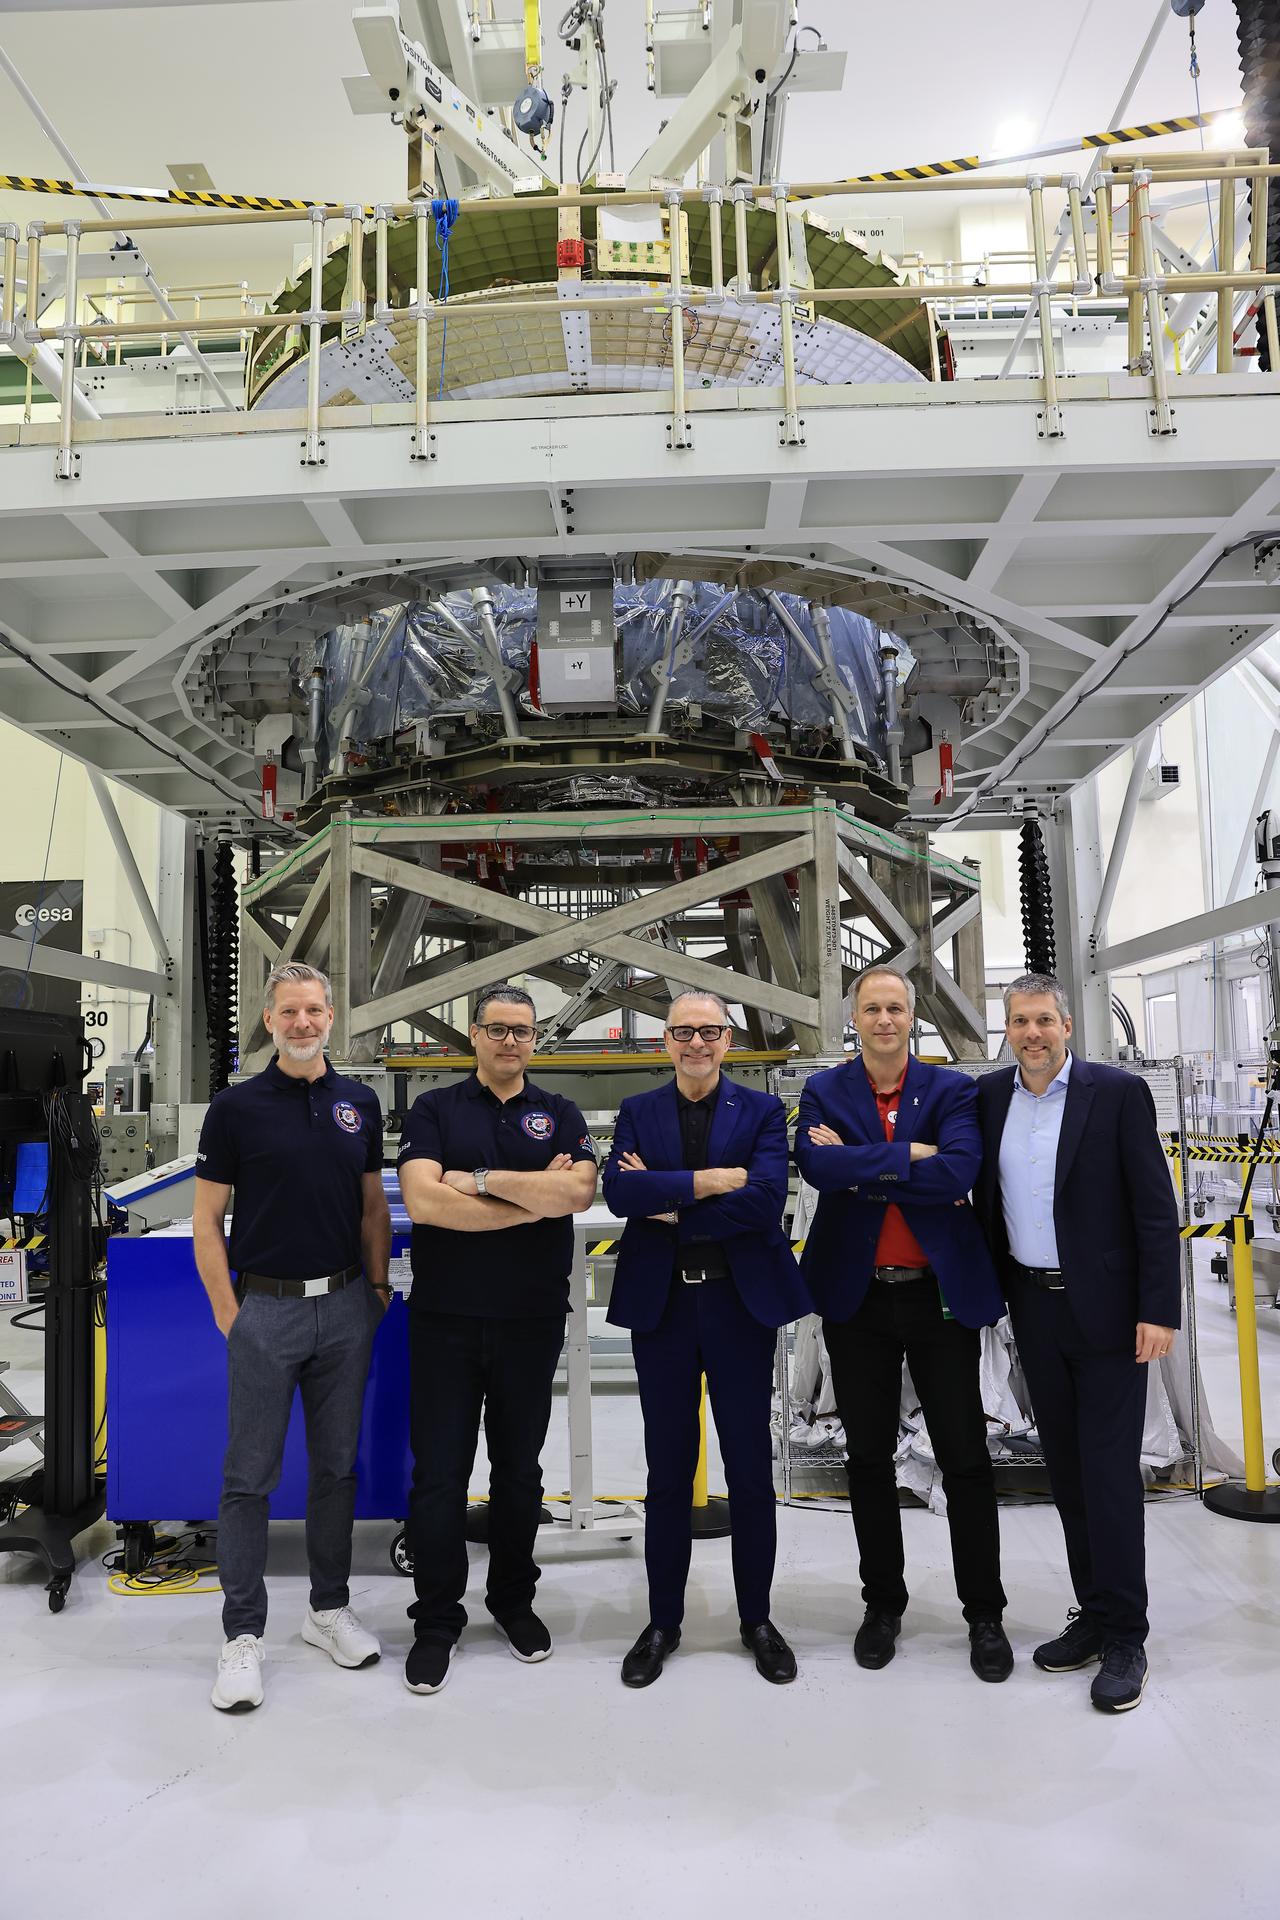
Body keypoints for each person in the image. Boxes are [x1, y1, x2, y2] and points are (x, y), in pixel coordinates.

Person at [793, 965, 1012, 1682]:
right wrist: (906, 1155)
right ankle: (882, 1603)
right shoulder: (825, 1089)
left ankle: (984, 1613)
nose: (884, 1019)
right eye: (872, 1008)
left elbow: (958, 1174)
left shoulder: (951, 1090)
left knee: (966, 1460)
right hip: (858, 1299)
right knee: (866, 1458)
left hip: (938, 1298)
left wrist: (861, 1164)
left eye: (895, 1007)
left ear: (912, 1016)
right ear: (852, 1017)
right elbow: (817, 1173)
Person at [974, 973, 1180, 1714]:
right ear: (1007, 1029)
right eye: (1019, 1022)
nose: (1032, 1033)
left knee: (1110, 1476)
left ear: (1067, 1025)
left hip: (1112, 1315)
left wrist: (1159, 1310)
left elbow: (1155, 1210)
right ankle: (1092, 1614)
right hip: (1033, 1308)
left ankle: (1127, 1633)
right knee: (1065, 1472)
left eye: (1044, 1021)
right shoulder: (992, 1097)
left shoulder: (1116, 1094)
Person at [193, 961, 392, 1714]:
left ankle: (328, 1611)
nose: (304, 1024)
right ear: (270, 1021)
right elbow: (207, 1223)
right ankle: (242, 1637)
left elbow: (373, 1208)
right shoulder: (235, 1110)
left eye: (315, 1011)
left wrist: (373, 1292)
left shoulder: (358, 1103)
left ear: (332, 1017)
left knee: (336, 1470)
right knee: (249, 1477)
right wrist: (228, 1312)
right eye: (289, 1013)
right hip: (264, 1314)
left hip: (345, 1308)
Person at [602, 992, 812, 1688]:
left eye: (710, 1031)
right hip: (662, 1309)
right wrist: (709, 1182)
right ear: (666, 1040)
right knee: (667, 1472)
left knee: (750, 1469)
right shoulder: (640, 1110)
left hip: (738, 1306)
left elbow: (762, 1202)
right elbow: (622, 1197)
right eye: (684, 1031)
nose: (697, 1042)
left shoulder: (758, 1112)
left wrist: (671, 1200)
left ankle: (757, 1619)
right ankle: (663, 1622)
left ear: (727, 1041)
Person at [396, 985, 598, 1695]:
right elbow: (423, 1202)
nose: (509, 1040)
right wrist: (526, 1201)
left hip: (530, 1320)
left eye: (521, 1030)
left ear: (535, 1040)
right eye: (496, 1028)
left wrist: (476, 1184)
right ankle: (437, 1619)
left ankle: (513, 1602)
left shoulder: (560, 1114)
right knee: (440, 1478)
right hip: (445, 1319)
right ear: (473, 1034)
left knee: (519, 1475)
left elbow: (575, 1197)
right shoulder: (433, 1110)